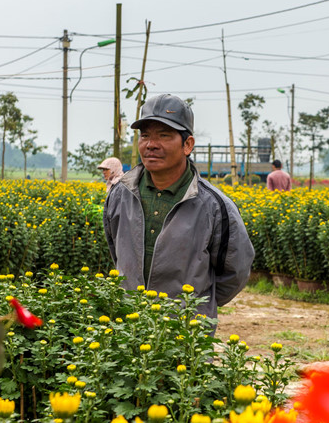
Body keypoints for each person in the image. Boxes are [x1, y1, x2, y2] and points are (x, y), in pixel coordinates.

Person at [103, 93, 254, 321]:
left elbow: (236, 272)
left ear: (187, 145)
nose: (151, 145)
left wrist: (197, 307)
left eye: (164, 136)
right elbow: (117, 252)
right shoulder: (119, 195)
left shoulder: (214, 206)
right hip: (128, 328)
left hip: (186, 332)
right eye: (145, 136)